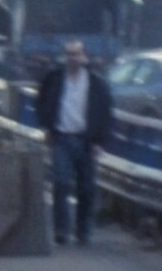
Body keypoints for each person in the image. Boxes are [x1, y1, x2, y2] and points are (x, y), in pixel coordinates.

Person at [29, 39, 106, 247]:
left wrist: (99, 141)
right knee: (61, 184)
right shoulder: (54, 79)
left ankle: (83, 232)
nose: (73, 58)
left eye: (76, 54)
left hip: (86, 141)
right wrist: (46, 127)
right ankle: (61, 231)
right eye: (69, 54)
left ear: (84, 57)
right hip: (61, 138)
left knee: (86, 189)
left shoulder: (96, 83)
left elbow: (104, 112)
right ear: (64, 57)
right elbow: (41, 102)